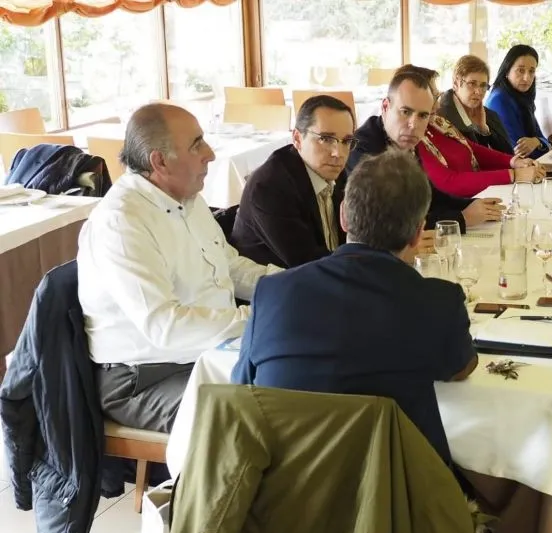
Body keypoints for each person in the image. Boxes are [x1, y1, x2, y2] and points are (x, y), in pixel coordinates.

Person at [231, 149, 477, 468]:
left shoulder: (272, 292)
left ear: (344, 217)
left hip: (286, 484)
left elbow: (243, 386)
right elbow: (460, 368)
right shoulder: (439, 301)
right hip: (396, 487)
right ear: (419, 232)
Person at [77, 103, 280, 433]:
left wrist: (293, 286)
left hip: (208, 353)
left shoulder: (187, 199)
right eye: (197, 144)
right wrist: (259, 317)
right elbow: (165, 326)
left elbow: (230, 267)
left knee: (305, 383)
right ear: (159, 161)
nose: (210, 154)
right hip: (144, 378)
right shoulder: (122, 222)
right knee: (252, 421)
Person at [348, 71, 504, 231]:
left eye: (423, 116)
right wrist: (462, 218)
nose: (413, 125)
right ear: (386, 107)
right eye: (405, 112)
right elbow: (391, 221)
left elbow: (429, 196)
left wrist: (473, 204)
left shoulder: (404, 138)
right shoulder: (364, 149)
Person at [230, 95, 355, 268]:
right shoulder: (270, 188)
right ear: (297, 139)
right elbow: (308, 263)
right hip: (273, 280)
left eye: (346, 141)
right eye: (326, 139)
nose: (338, 153)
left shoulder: (337, 172)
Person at [438, 55, 515, 154]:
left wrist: (484, 130)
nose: (478, 91)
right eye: (472, 83)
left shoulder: (490, 115)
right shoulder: (441, 118)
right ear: (456, 83)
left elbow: (509, 156)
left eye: (483, 85)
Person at [485, 45, 550, 159]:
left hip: (528, 164)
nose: (527, 78)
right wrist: (542, 144)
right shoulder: (499, 100)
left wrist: (537, 141)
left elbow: (542, 138)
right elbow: (519, 151)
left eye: (531, 71)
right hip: (510, 166)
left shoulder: (521, 96)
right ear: (507, 70)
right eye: (521, 70)